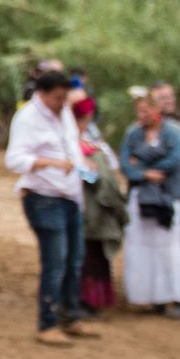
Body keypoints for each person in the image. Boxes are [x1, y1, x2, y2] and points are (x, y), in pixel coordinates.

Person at [6, 68, 90, 345]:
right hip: (43, 196)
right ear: (42, 94)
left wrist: (82, 166)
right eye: (57, 97)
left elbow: (71, 145)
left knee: (74, 260)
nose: (61, 102)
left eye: (64, 97)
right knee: (55, 261)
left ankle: (70, 314)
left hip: (70, 195)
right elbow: (14, 159)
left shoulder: (63, 112)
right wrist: (48, 162)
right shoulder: (27, 118)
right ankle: (48, 322)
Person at [120, 87, 180, 317]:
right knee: (142, 247)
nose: (142, 115)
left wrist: (142, 163)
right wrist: (144, 174)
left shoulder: (173, 132)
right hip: (141, 197)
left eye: (145, 110)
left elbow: (176, 158)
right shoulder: (133, 133)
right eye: (139, 111)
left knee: (169, 247)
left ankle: (175, 297)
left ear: (156, 109)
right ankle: (152, 297)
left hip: (167, 196)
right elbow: (124, 162)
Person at [75, 94, 126, 315]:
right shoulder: (84, 145)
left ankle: (88, 299)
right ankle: (84, 299)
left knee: (91, 257)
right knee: (88, 257)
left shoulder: (93, 145)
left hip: (91, 210)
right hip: (87, 209)